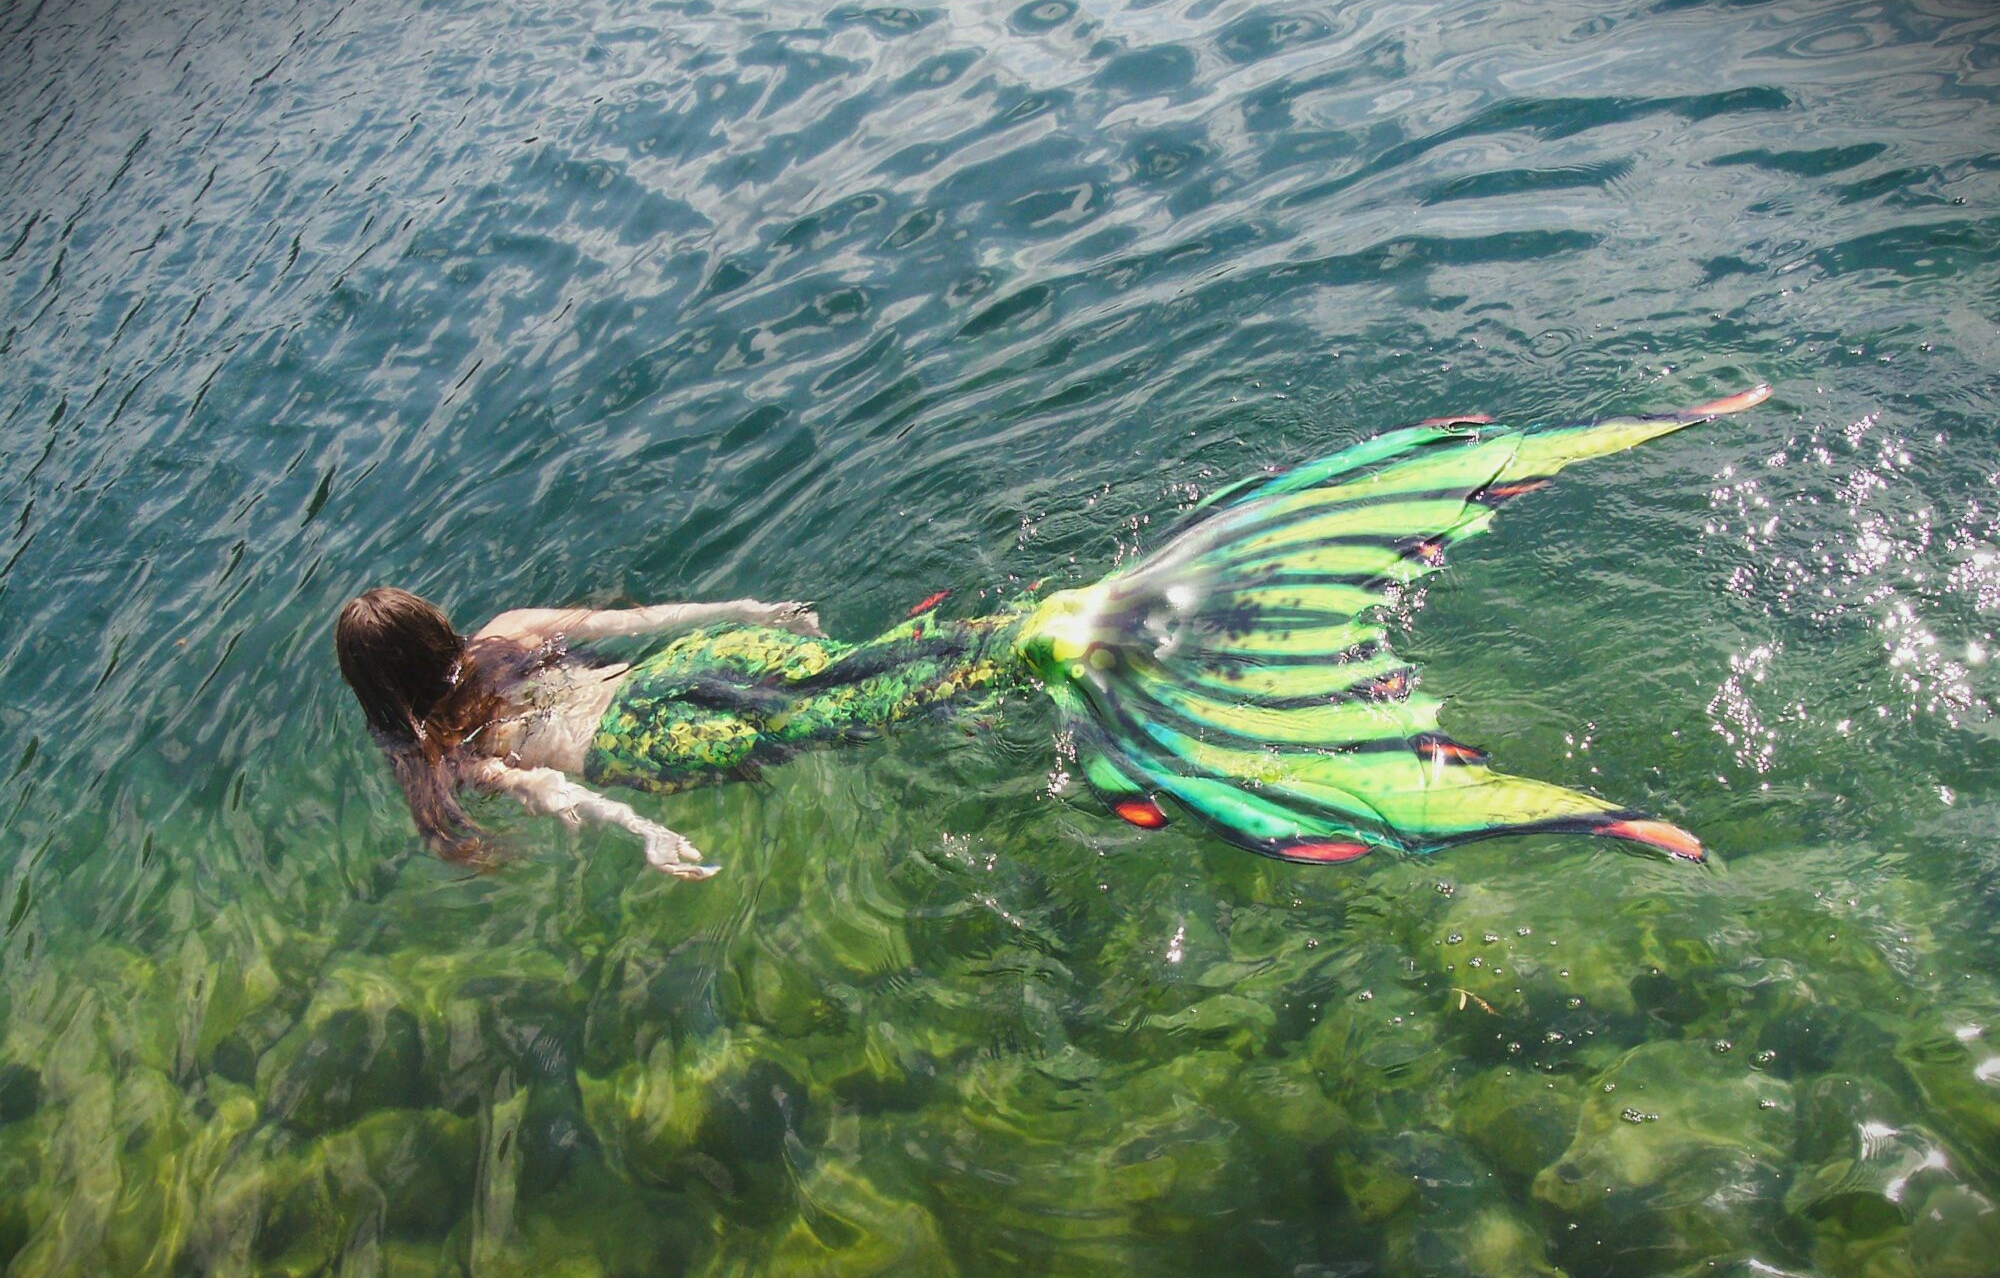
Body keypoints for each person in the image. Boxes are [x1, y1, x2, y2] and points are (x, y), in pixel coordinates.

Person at [336, 386, 1769, 879]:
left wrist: (644, 833)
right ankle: (1038, 628)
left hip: (662, 743)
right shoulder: (513, 630)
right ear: (439, 626)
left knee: (866, 710)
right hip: (691, 670)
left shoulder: (434, 758)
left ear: (377, 687)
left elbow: (553, 795)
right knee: (847, 669)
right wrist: (759, 609)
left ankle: (1053, 649)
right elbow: (642, 617)